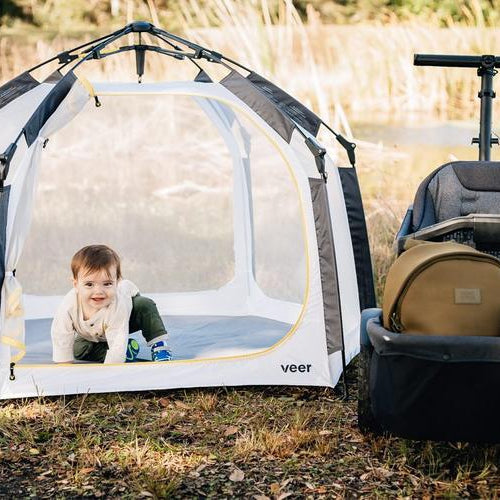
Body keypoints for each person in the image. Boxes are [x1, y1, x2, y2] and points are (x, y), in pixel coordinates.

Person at [51, 244, 172, 364]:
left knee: (144, 305)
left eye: (107, 284)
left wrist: (114, 362)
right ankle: (126, 351)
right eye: (89, 284)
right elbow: (61, 335)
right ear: (76, 285)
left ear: (117, 282)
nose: (98, 292)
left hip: (127, 318)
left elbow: (118, 338)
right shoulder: (68, 306)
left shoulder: (117, 305)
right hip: (92, 333)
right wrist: (64, 366)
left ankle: (159, 345)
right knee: (78, 349)